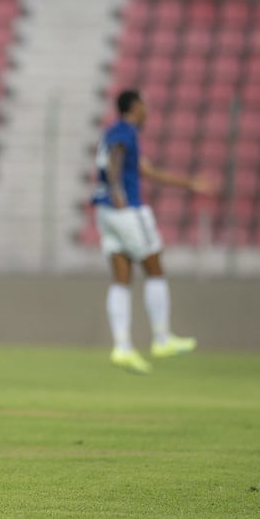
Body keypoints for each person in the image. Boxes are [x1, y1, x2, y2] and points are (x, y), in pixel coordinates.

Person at [93, 89, 213, 374]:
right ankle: (161, 338)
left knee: (122, 279)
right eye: (145, 105)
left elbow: (147, 171)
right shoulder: (125, 132)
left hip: (105, 211)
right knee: (155, 269)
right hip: (127, 210)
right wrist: (117, 189)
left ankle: (122, 347)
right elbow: (115, 158)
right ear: (135, 107)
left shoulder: (113, 131)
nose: (148, 110)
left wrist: (189, 184)